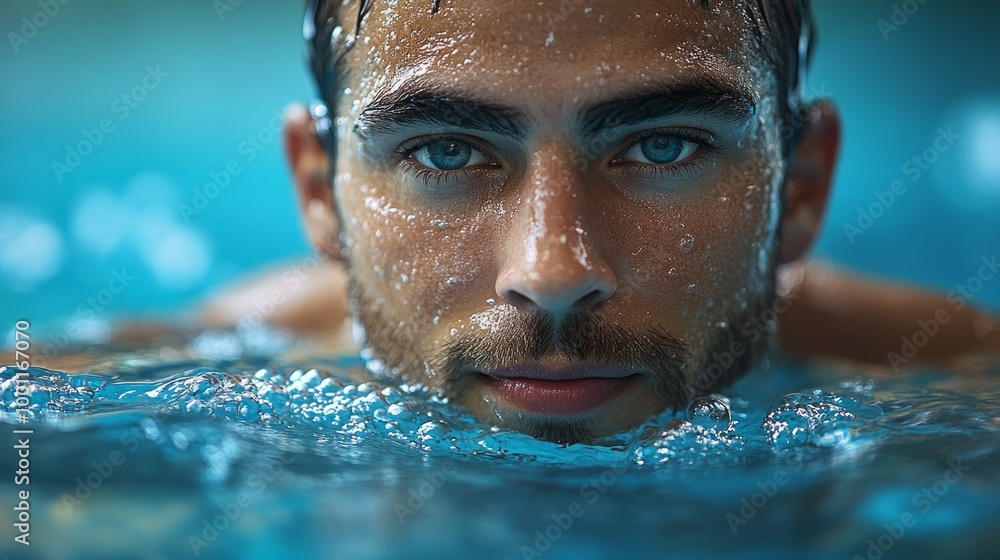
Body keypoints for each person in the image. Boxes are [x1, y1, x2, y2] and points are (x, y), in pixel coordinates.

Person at [197, 0, 1000, 443]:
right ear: (317, 191)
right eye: (445, 152)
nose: (553, 273)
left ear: (799, 189)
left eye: (662, 146)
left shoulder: (966, 390)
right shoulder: (193, 379)